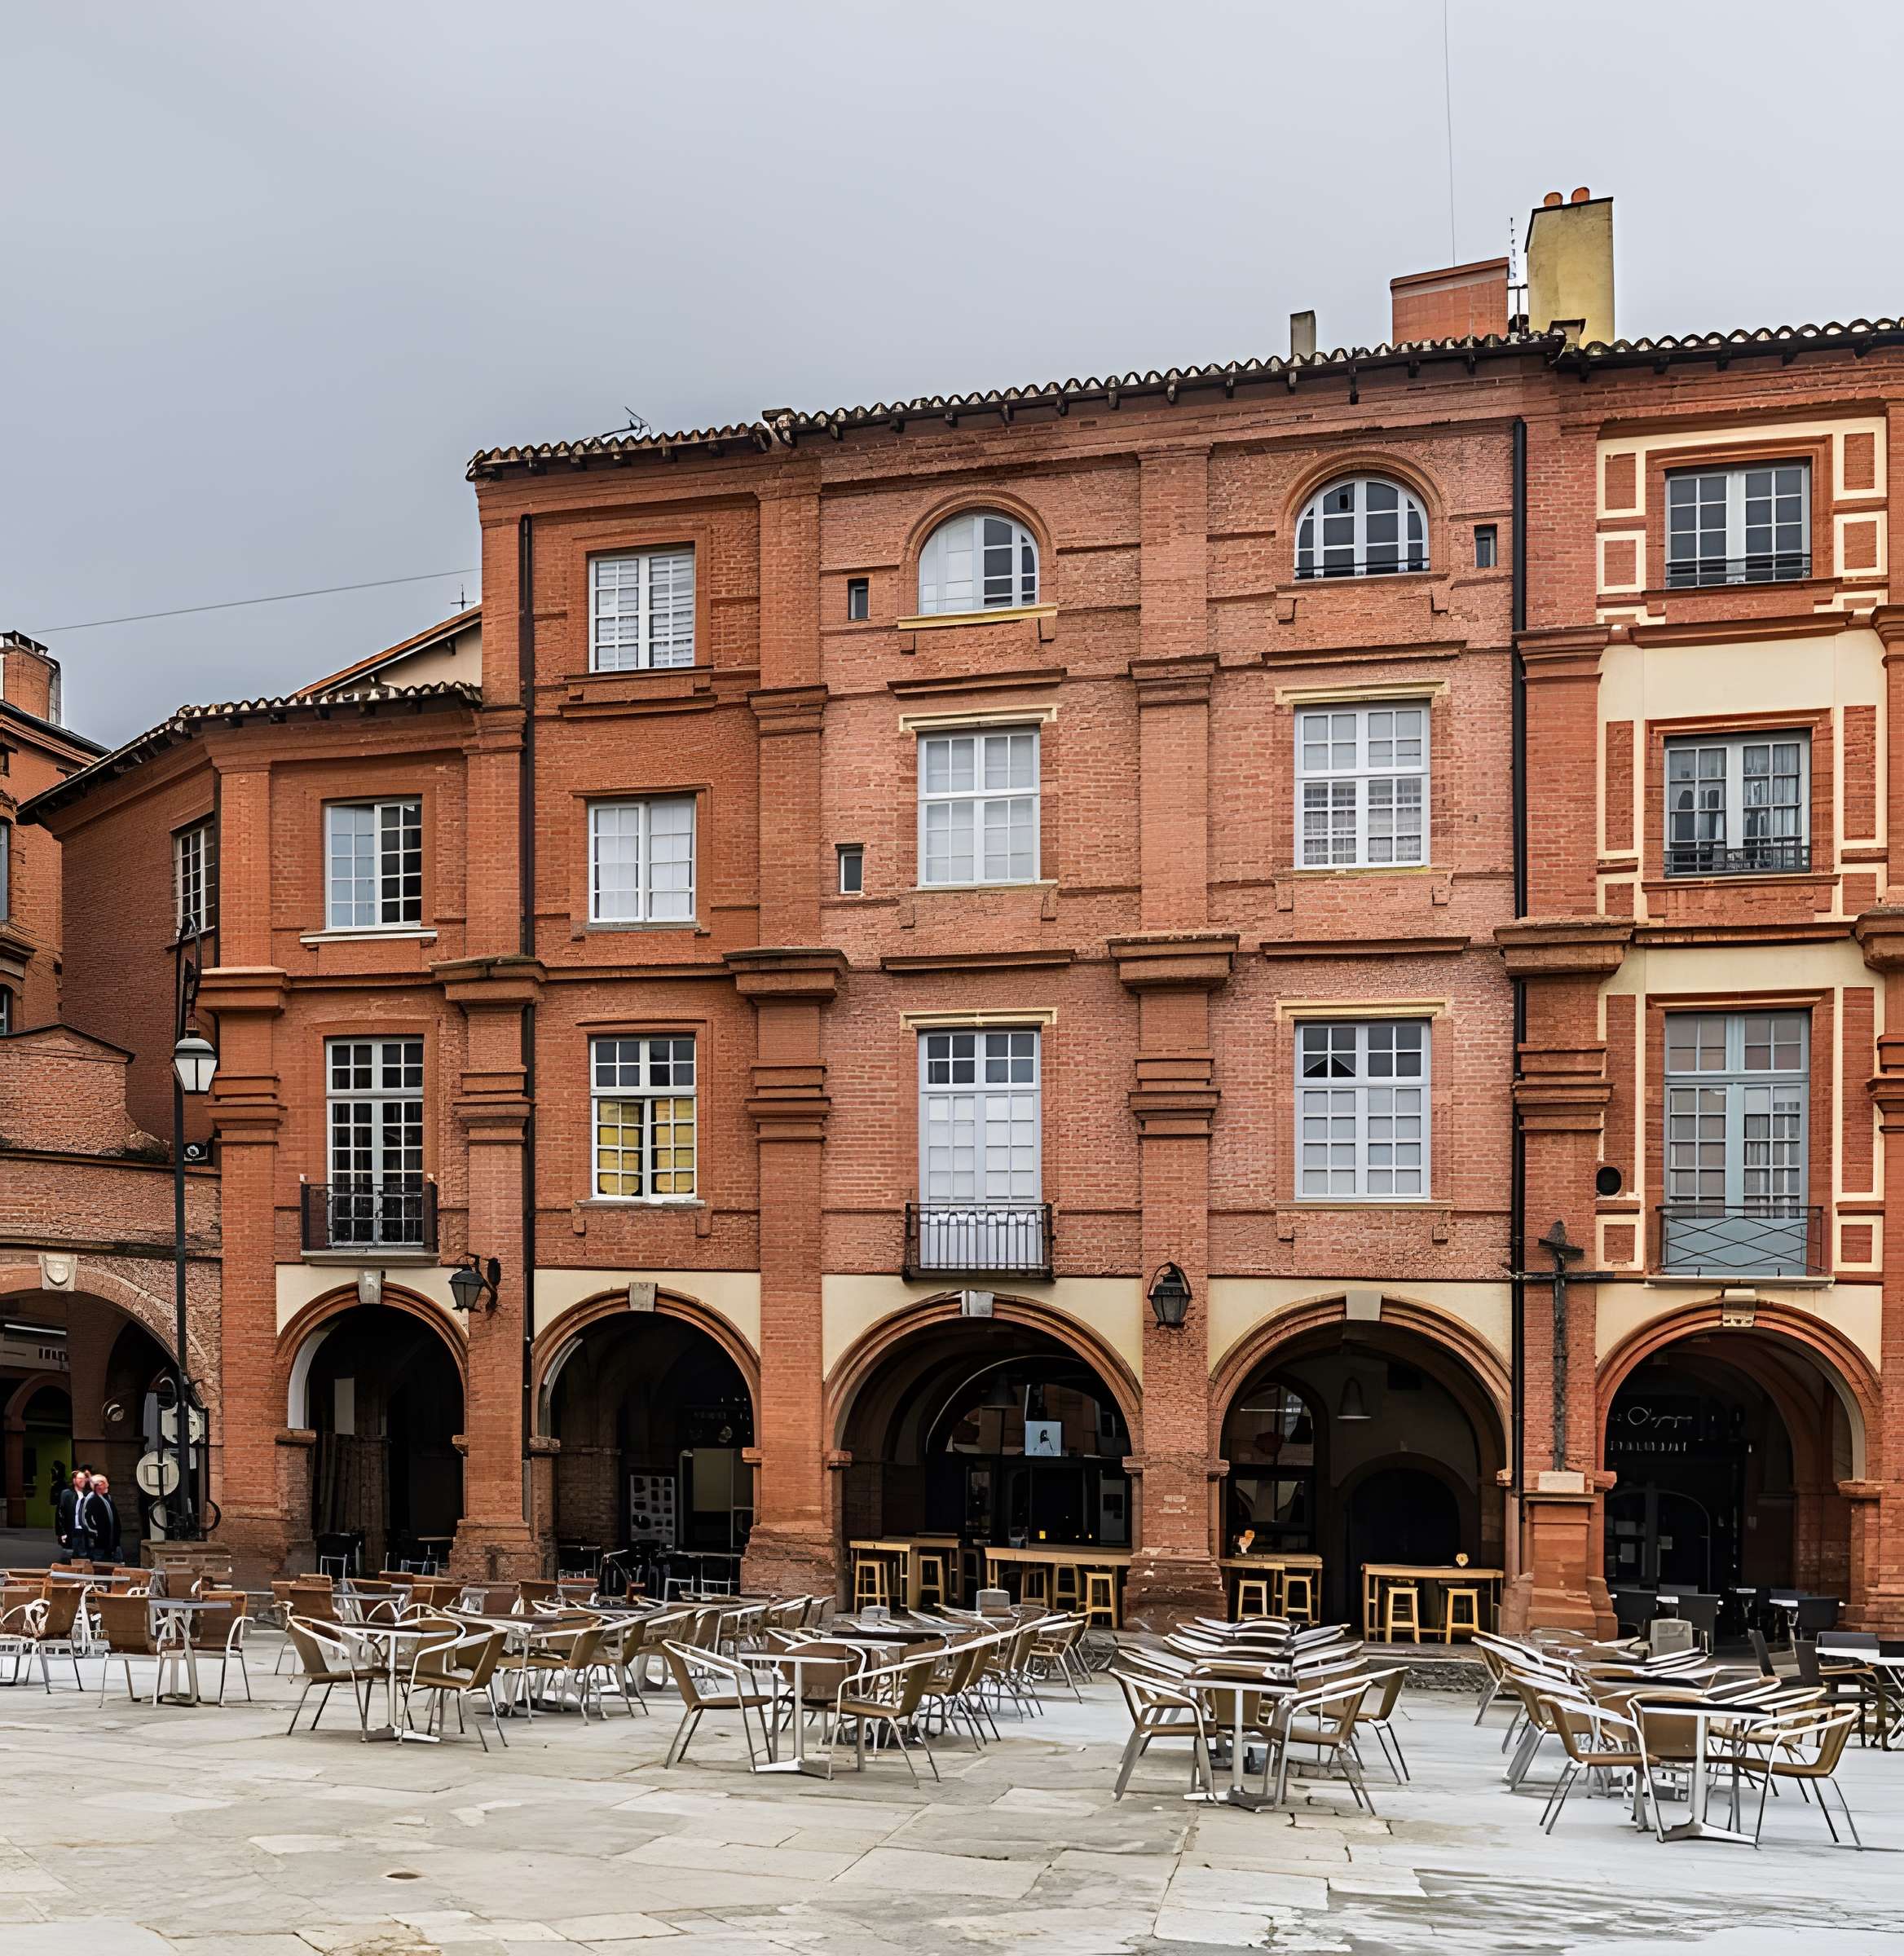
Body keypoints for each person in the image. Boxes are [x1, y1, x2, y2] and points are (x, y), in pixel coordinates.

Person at [81, 1474, 122, 1564]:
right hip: (99, 1545)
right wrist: (96, 1534)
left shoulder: (108, 1499)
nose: (107, 1485)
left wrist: (117, 1535)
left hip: (112, 1544)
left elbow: (115, 1519)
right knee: (99, 1568)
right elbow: (85, 1520)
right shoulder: (92, 1499)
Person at [55, 1466, 90, 1555]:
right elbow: (60, 1514)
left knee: (84, 1557)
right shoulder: (66, 1494)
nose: (82, 1480)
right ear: (74, 1480)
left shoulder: (89, 1495)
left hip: (84, 1533)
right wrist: (61, 1532)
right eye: (80, 1478)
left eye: (84, 1478)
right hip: (71, 1531)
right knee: (68, 1556)